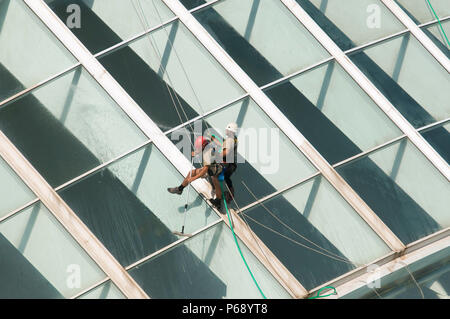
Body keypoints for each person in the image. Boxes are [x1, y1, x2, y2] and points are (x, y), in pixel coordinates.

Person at [167, 136, 224, 209]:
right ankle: (218, 201)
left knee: (195, 173)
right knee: (215, 180)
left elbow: (204, 171)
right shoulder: (208, 144)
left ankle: (180, 189)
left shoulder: (207, 154)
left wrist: (193, 178)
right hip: (219, 165)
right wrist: (197, 152)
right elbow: (216, 146)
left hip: (213, 168)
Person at [214, 122, 238, 203]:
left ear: (230, 130)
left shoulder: (230, 140)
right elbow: (226, 148)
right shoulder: (234, 139)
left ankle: (218, 198)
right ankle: (230, 196)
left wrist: (217, 156)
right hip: (231, 165)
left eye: (227, 129)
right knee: (227, 179)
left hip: (227, 163)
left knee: (214, 175)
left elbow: (226, 152)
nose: (225, 130)